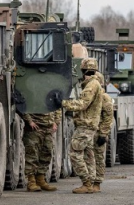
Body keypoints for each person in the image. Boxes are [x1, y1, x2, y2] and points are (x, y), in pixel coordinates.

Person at [55, 57, 102, 194]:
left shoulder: (91, 85)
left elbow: (82, 104)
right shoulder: (96, 84)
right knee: (88, 155)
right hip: (90, 126)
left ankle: (86, 183)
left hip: (85, 126)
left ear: (84, 71)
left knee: (74, 153)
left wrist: (63, 103)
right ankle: (91, 183)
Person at [21, 109, 62, 192]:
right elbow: (23, 105)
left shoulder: (51, 95)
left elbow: (57, 106)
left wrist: (56, 122)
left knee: (46, 153)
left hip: (48, 128)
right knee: (32, 155)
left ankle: (41, 180)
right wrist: (29, 120)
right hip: (35, 127)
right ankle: (31, 182)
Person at [85, 71, 113, 193]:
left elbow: (108, 117)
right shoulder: (89, 95)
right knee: (88, 157)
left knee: (99, 158)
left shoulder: (104, 97)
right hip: (89, 131)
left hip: (98, 132)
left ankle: (97, 182)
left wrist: (103, 133)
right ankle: (88, 181)